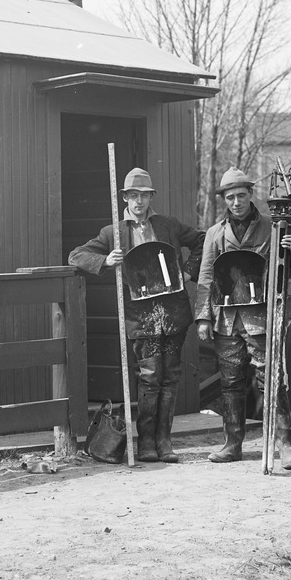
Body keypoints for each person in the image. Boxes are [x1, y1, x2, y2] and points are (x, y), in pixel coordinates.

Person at [68, 168, 205, 463]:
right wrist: (105, 259)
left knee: (170, 377)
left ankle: (164, 442)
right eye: (133, 195)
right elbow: (76, 255)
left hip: (172, 311)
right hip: (141, 316)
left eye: (144, 195)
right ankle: (146, 444)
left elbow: (201, 240)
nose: (139, 201)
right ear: (125, 198)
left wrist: (189, 271)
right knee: (150, 376)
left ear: (150, 197)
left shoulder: (167, 225)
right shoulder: (113, 232)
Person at [195, 166, 291, 469]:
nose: (236, 202)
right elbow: (205, 277)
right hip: (227, 320)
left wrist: (288, 251)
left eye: (241, 195)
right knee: (230, 383)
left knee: (272, 379)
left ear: (250, 195)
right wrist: (203, 318)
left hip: (261, 317)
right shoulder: (215, 234)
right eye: (230, 197)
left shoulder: (273, 227)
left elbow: (289, 270)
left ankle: (285, 444)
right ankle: (232, 444)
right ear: (224, 200)